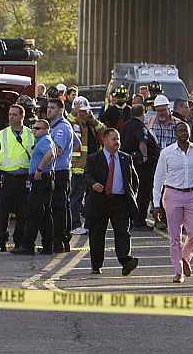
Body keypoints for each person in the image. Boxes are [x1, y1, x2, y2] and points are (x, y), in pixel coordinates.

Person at [155, 120, 193, 283]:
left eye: (185, 130)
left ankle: (184, 258)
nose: (183, 133)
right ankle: (178, 272)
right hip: (172, 195)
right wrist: (156, 204)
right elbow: (158, 178)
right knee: (174, 236)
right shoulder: (167, 152)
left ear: (189, 132)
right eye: (180, 131)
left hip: (192, 195)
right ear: (175, 134)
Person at [84, 127, 140, 277]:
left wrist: (131, 195)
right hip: (100, 200)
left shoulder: (125, 158)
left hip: (120, 201)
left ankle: (126, 261)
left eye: (118, 139)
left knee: (122, 231)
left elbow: (134, 180)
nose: (117, 142)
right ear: (104, 140)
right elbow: (87, 176)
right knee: (97, 235)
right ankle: (96, 265)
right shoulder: (94, 158)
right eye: (114, 139)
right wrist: (93, 184)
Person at [11, 117, 59, 255]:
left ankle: (28, 245)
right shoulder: (44, 141)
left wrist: (39, 169)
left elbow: (49, 154)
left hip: (41, 179)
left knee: (33, 212)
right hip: (45, 179)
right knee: (44, 214)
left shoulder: (44, 140)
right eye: (33, 128)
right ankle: (47, 245)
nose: (34, 131)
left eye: (38, 129)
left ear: (46, 130)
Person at [0, 103, 32, 252]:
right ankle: (0, 241)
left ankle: (19, 241)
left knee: (22, 212)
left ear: (22, 117)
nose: (11, 117)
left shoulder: (30, 134)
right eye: (9, 114)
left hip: (24, 179)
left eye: (14, 114)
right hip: (6, 178)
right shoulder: (2, 134)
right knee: (3, 211)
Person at [44, 97, 76, 251]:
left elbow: (58, 150)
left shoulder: (61, 128)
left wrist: (41, 150)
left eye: (52, 107)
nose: (48, 109)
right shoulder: (57, 126)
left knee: (58, 207)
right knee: (62, 205)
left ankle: (59, 239)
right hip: (60, 170)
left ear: (60, 110)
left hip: (59, 171)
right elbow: (76, 142)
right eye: (48, 107)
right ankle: (63, 239)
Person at [117, 97, 155, 230]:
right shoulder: (140, 126)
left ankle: (130, 219)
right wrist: (145, 157)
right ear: (143, 114)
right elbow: (142, 142)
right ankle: (139, 221)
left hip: (126, 161)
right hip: (139, 163)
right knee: (142, 191)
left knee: (129, 190)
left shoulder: (124, 126)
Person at [147, 95, 179, 230]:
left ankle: (169, 217)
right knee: (157, 190)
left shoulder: (177, 124)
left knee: (171, 191)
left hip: (173, 163)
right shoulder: (151, 123)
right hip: (157, 162)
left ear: (169, 110)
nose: (161, 113)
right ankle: (158, 218)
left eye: (163, 110)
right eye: (158, 110)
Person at [69, 98, 98, 235]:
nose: (89, 113)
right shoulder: (73, 123)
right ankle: (75, 224)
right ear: (79, 112)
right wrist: (73, 113)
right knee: (76, 197)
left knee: (91, 198)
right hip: (78, 167)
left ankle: (88, 224)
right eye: (86, 111)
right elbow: (67, 123)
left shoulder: (90, 124)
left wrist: (94, 120)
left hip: (91, 167)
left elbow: (105, 131)